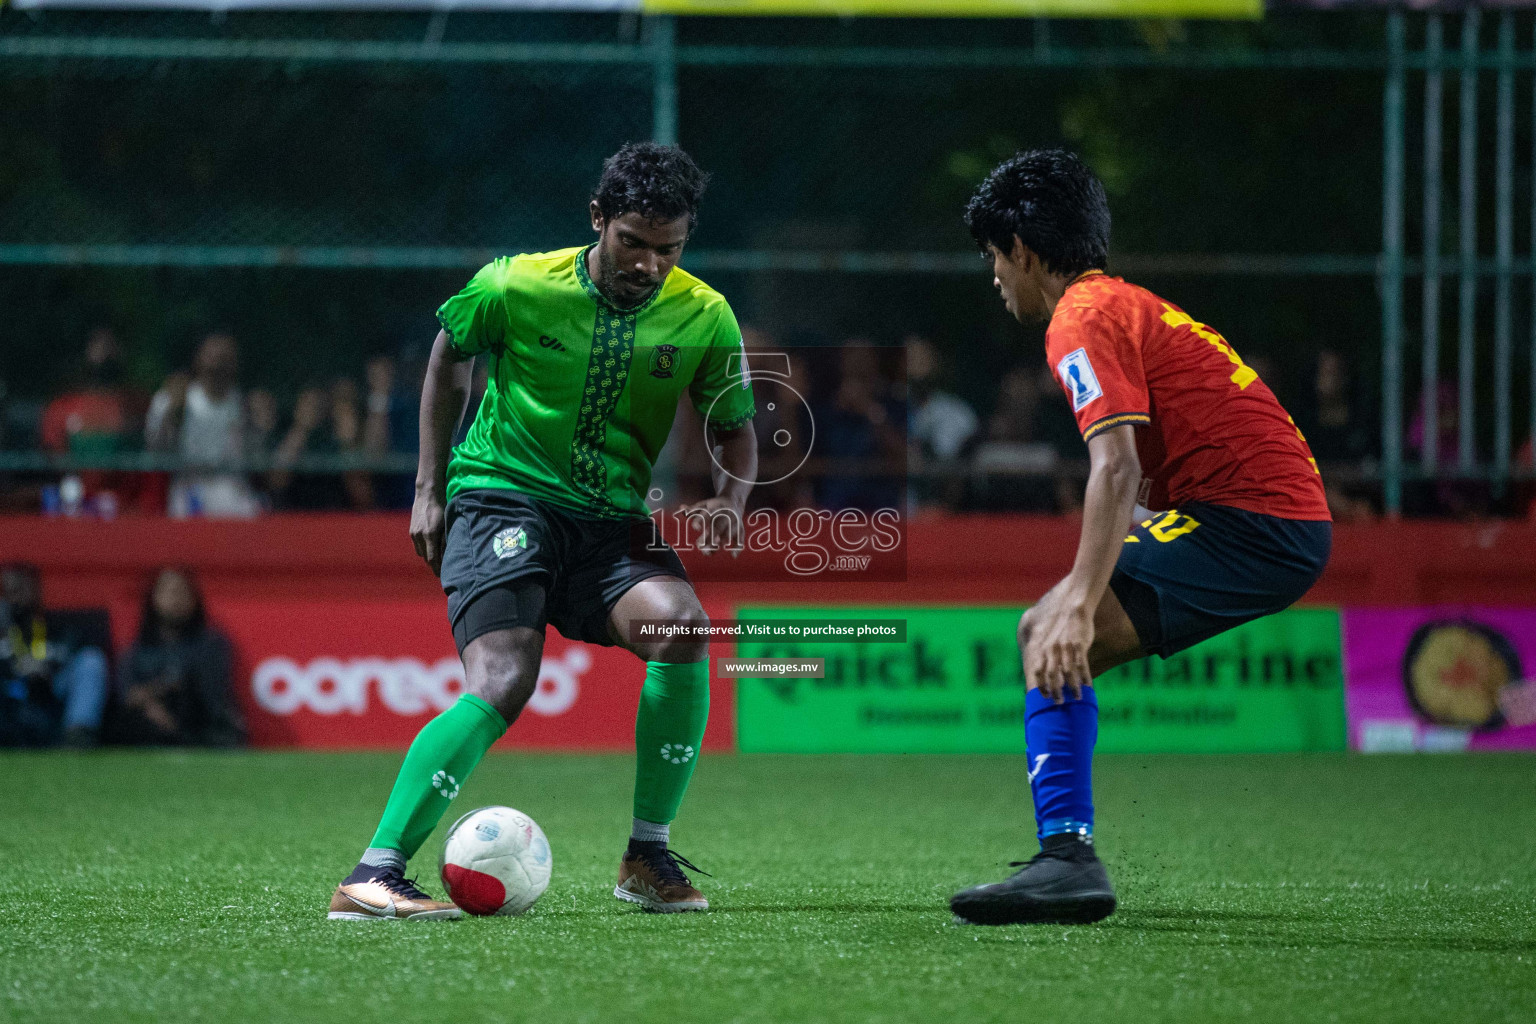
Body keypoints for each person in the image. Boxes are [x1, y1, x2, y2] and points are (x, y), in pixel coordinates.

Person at [328, 142, 757, 922]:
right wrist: (428, 488)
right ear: (598, 220)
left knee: (684, 629)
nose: (649, 266)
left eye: (670, 249)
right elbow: (447, 360)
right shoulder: (515, 284)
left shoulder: (705, 315)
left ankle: (646, 856)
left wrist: (731, 497)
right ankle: (375, 873)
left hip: (609, 524)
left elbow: (734, 427)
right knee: (503, 680)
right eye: (633, 242)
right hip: (503, 498)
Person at [948, 150, 1331, 926]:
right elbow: (1154, 464)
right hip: (1268, 516)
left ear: (1023, 250)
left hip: (1255, 521)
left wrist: (1080, 600)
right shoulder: (1120, 304)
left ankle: (1066, 861)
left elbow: (1115, 466)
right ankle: (1066, 857)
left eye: (994, 257)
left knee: (1053, 630)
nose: (994, 275)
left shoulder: (1078, 319)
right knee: (1051, 631)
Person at [115, 567, 243, 748]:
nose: (176, 599)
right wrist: (151, 704)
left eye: (182, 591)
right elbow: (127, 693)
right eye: (168, 591)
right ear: (153, 598)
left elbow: (212, 694)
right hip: (147, 726)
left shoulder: (210, 643)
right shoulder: (137, 650)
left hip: (197, 725)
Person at [145, 332, 262, 518]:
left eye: (224, 358)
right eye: (212, 357)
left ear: (235, 363)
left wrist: (260, 426)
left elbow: (257, 457)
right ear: (198, 359)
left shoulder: (244, 403)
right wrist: (171, 413)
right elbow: (154, 448)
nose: (218, 365)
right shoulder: (176, 398)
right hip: (189, 486)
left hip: (232, 490)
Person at [0, 563, 110, 748]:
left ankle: (78, 734)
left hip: (53, 688)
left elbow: (69, 653)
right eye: (9, 590)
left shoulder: (59, 625)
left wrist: (45, 665)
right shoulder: (3, 628)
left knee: (92, 660)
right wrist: (15, 668)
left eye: (22, 588)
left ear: (36, 589)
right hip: (11, 692)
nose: (16, 595)